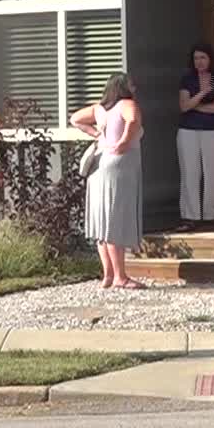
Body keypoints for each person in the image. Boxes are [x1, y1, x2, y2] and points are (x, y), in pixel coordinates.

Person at [72, 73, 144, 290]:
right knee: (115, 219)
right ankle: (121, 277)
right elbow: (132, 121)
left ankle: (108, 275)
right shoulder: (127, 104)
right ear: (123, 87)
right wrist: (123, 142)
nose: (134, 87)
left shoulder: (99, 108)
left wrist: (95, 134)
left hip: (99, 163)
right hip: (119, 165)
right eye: (131, 84)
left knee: (102, 219)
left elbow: (75, 119)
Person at [177, 43, 214, 230]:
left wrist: (195, 105)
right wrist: (202, 93)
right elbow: (183, 106)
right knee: (189, 173)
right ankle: (189, 217)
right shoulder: (187, 79)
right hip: (187, 131)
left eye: (203, 58)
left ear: (210, 59)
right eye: (196, 58)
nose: (199, 62)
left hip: (212, 130)